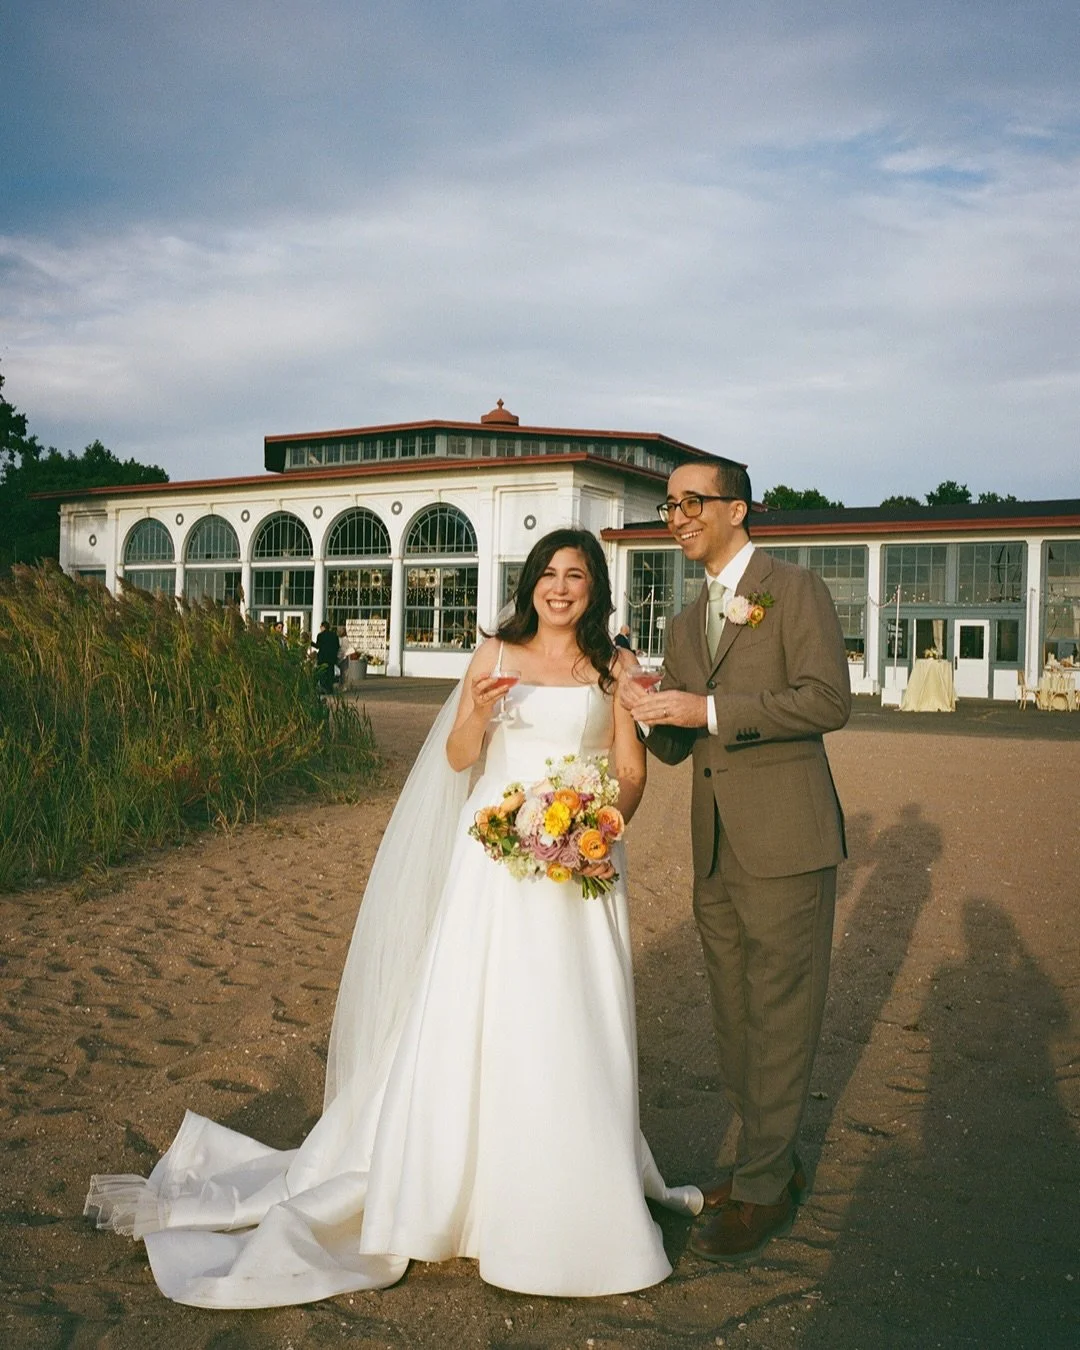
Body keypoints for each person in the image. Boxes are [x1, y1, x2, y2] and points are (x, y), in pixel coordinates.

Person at [84, 526, 702, 1306]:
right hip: (496, 857)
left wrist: (602, 830)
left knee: (572, 1012)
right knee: (481, 1008)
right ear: (530, 584)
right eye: (548, 573)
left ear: (594, 587)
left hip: (581, 859)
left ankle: (572, 1183)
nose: (559, 587)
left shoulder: (614, 668)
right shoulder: (496, 654)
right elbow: (458, 757)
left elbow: (631, 768)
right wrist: (478, 714)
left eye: (575, 575)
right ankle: (460, 1189)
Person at [620, 457, 850, 1266]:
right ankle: (766, 1165)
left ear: (738, 509)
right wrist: (643, 705)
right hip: (715, 846)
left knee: (781, 1013)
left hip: (788, 841)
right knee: (735, 1014)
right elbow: (678, 745)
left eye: (692, 502)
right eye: (669, 506)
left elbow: (828, 700)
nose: (677, 517)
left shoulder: (796, 590)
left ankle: (763, 1190)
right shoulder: (688, 624)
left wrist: (710, 707)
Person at [312, 621, 340, 694]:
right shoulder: (334, 635)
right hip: (331, 658)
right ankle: (330, 689)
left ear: (323, 627)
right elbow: (337, 646)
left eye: (321, 627)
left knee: (323, 673)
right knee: (330, 673)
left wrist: (311, 643)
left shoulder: (320, 635)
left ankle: (324, 688)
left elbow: (318, 646)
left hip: (323, 657)